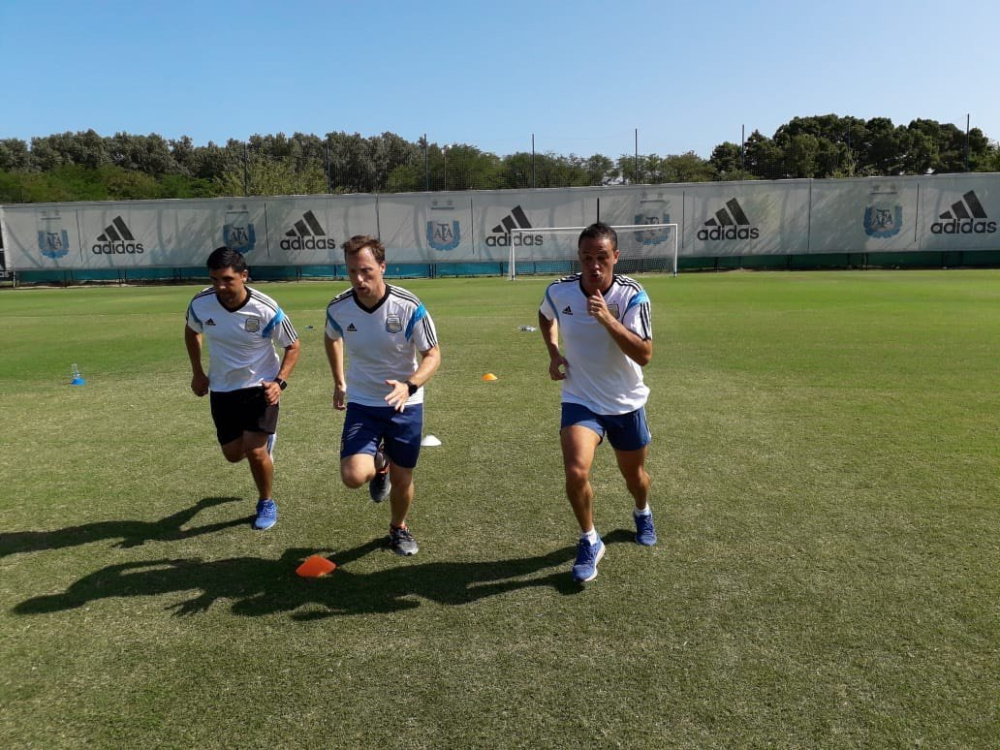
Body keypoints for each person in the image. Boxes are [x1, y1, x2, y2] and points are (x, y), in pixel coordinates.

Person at [537, 222, 656, 583]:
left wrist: (607, 318)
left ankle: (642, 511)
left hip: (625, 402)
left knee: (635, 478)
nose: (594, 265)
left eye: (602, 257)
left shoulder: (632, 295)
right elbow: (545, 315)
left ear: (616, 257)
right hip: (580, 398)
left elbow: (645, 353)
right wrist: (553, 352)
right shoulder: (559, 291)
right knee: (576, 472)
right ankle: (590, 539)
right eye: (586, 257)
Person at [324, 235, 440, 556]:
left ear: (382, 267)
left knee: (404, 479)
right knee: (353, 476)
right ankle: (380, 463)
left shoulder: (408, 306)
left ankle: (398, 527)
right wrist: (339, 380)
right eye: (352, 272)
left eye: (366, 271)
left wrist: (409, 386)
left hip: (406, 403)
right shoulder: (339, 307)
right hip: (363, 403)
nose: (359, 279)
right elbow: (331, 337)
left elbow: (433, 355)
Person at [184, 246, 300, 531]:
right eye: (214, 280)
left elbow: (293, 345)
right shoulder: (201, 303)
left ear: (244, 275)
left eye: (227, 279)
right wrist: (198, 372)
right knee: (233, 454)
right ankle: (260, 445)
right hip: (222, 388)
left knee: (256, 451)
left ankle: (266, 502)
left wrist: (279, 383)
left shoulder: (265, 308)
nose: (220, 287)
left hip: (259, 386)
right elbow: (192, 330)